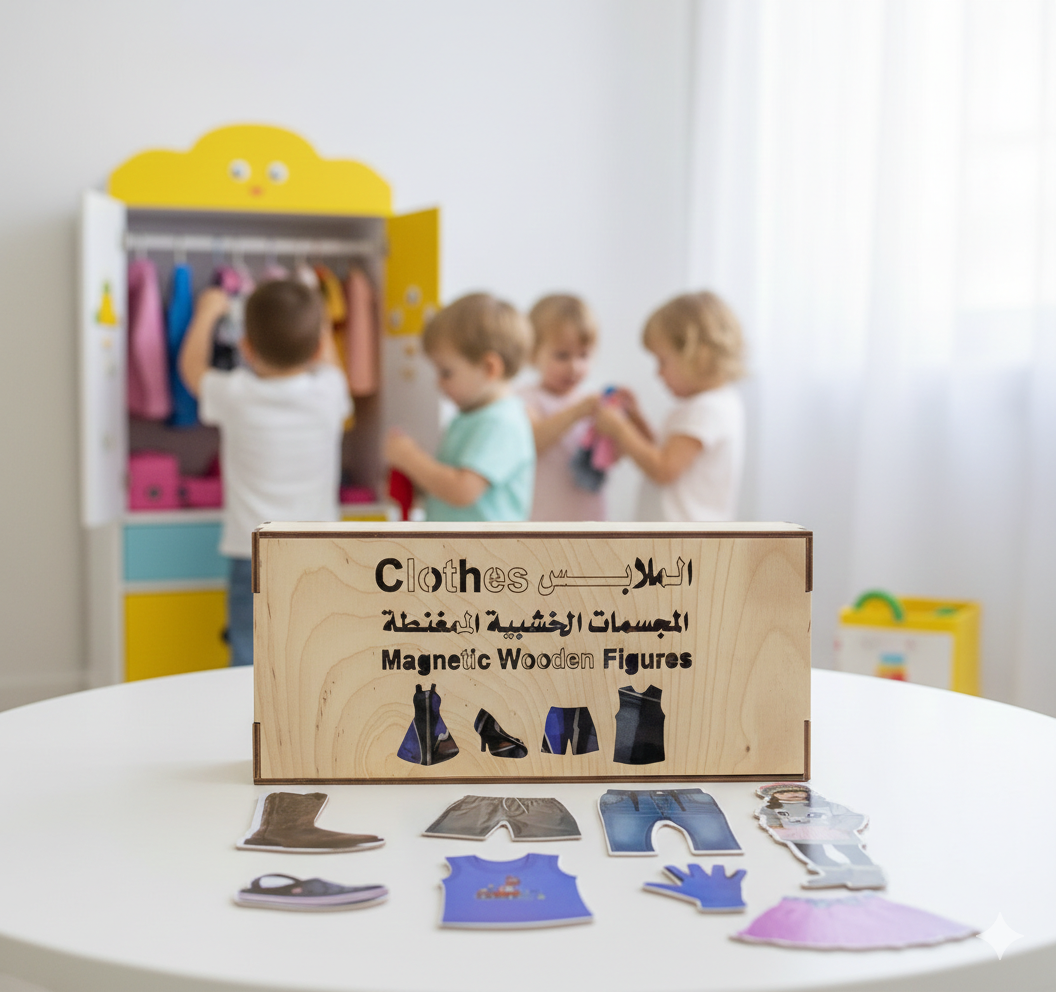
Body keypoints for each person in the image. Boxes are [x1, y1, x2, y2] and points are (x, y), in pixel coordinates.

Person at [178, 279, 350, 667]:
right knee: (313, 653)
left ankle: (248, 705)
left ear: (246, 347)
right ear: (319, 345)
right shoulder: (331, 391)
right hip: (317, 549)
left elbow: (191, 371)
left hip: (253, 551)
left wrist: (207, 313)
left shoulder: (236, 393)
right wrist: (320, 324)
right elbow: (328, 362)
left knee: (249, 653)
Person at [594, 291, 745, 522]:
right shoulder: (718, 402)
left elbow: (663, 469)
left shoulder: (705, 410)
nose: (658, 373)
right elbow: (663, 454)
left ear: (697, 355)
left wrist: (619, 430)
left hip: (684, 537)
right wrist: (636, 420)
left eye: (663, 361)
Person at [384, 293, 534, 521]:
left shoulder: (501, 423)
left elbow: (462, 491)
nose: (438, 383)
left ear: (489, 368)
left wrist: (410, 458)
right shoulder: (469, 417)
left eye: (446, 372)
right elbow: (449, 487)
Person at [518, 294, 607, 521]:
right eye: (562, 356)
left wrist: (627, 418)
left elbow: (609, 456)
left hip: (588, 518)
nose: (574, 367)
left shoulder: (591, 402)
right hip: (543, 519)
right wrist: (577, 412)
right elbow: (532, 442)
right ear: (532, 353)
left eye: (584, 355)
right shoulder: (526, 398)